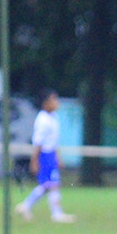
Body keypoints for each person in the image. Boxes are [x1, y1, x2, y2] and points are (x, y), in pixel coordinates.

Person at [14, 89, 75, 223]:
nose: (57, 103)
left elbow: (54, 140)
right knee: (52, 184)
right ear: (46, 103)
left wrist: (58, 157)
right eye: (54, 100)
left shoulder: (53, 117)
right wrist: (34, 160)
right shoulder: (42, 120)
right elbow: (38, 142)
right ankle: (56, 213)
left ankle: (26, 206)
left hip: (51, 153)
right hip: (45, 155)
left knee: (48, 185)